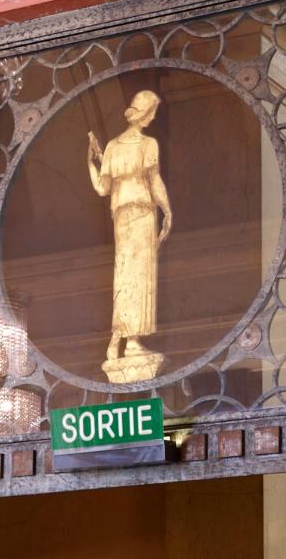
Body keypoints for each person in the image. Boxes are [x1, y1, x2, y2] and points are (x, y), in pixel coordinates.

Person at [87, 90, 171, 370]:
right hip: (142, 212)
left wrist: (91, 163)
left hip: (121, 215)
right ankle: (131, 340)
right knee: (139, 274)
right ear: (144, 113)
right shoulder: (148, 144)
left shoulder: (112, 146)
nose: (153, 117)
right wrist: (167, 211)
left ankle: (119, 335)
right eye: (151, 112)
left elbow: (101, 188)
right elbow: (154, 180)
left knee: (124, 272)